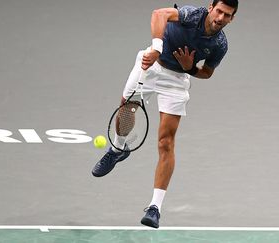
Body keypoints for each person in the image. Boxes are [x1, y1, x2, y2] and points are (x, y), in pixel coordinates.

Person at [91, 0, 238, 228]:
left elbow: (207, 72)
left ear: (232, 18)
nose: (220, 18)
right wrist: (157, 47)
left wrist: (190, 68)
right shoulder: (191, 15)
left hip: (176, 81)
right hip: (152, 65)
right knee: (127, 108)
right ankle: (118, 148)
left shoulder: (220, 45)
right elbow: (159, 13)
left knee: (166, 142)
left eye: (227, 15)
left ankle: (154, 208)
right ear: (211, 7)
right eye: (219, 11)